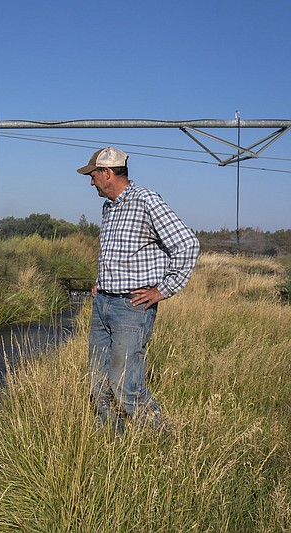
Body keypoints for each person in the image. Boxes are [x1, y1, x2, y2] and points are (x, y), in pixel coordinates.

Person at [76, 147, 200, 432]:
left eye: (93, 176)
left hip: (131, 307)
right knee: (98, 380)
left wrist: (164, 289)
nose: (91, 182)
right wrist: (101, 281)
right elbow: (114, 253)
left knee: (124, 384)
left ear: (107, 173)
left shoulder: (146, 200)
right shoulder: (108, 208)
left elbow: (188, 244)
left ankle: (164, 438)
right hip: (103, 303)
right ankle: (110, 440)